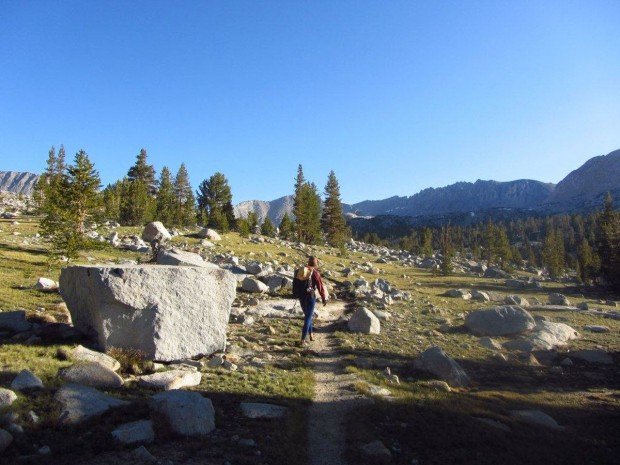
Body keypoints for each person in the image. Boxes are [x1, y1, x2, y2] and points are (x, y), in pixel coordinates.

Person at [296, 256, 327, 345]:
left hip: (301, 296)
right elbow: (320, 286)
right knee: (308, 318)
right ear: (316, 264)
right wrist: (323, 298)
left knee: (308, 316)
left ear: (308, 262)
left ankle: (311, 334)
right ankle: (302, 340)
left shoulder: (302, 271)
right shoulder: (315, 273)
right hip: (310, 297)